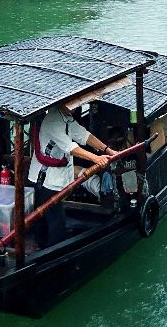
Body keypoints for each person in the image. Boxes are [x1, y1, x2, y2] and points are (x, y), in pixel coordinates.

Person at [28, 105, 115, 248]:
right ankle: (49, 254)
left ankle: (44, 247)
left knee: (47, 219)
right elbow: (71, 147)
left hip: (57, 178)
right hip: (45, 180)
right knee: (54, 223)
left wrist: (107, 150)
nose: (76, 107)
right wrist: (96, 158)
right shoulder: (53, 122)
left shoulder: (65, 118)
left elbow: (82, 134)